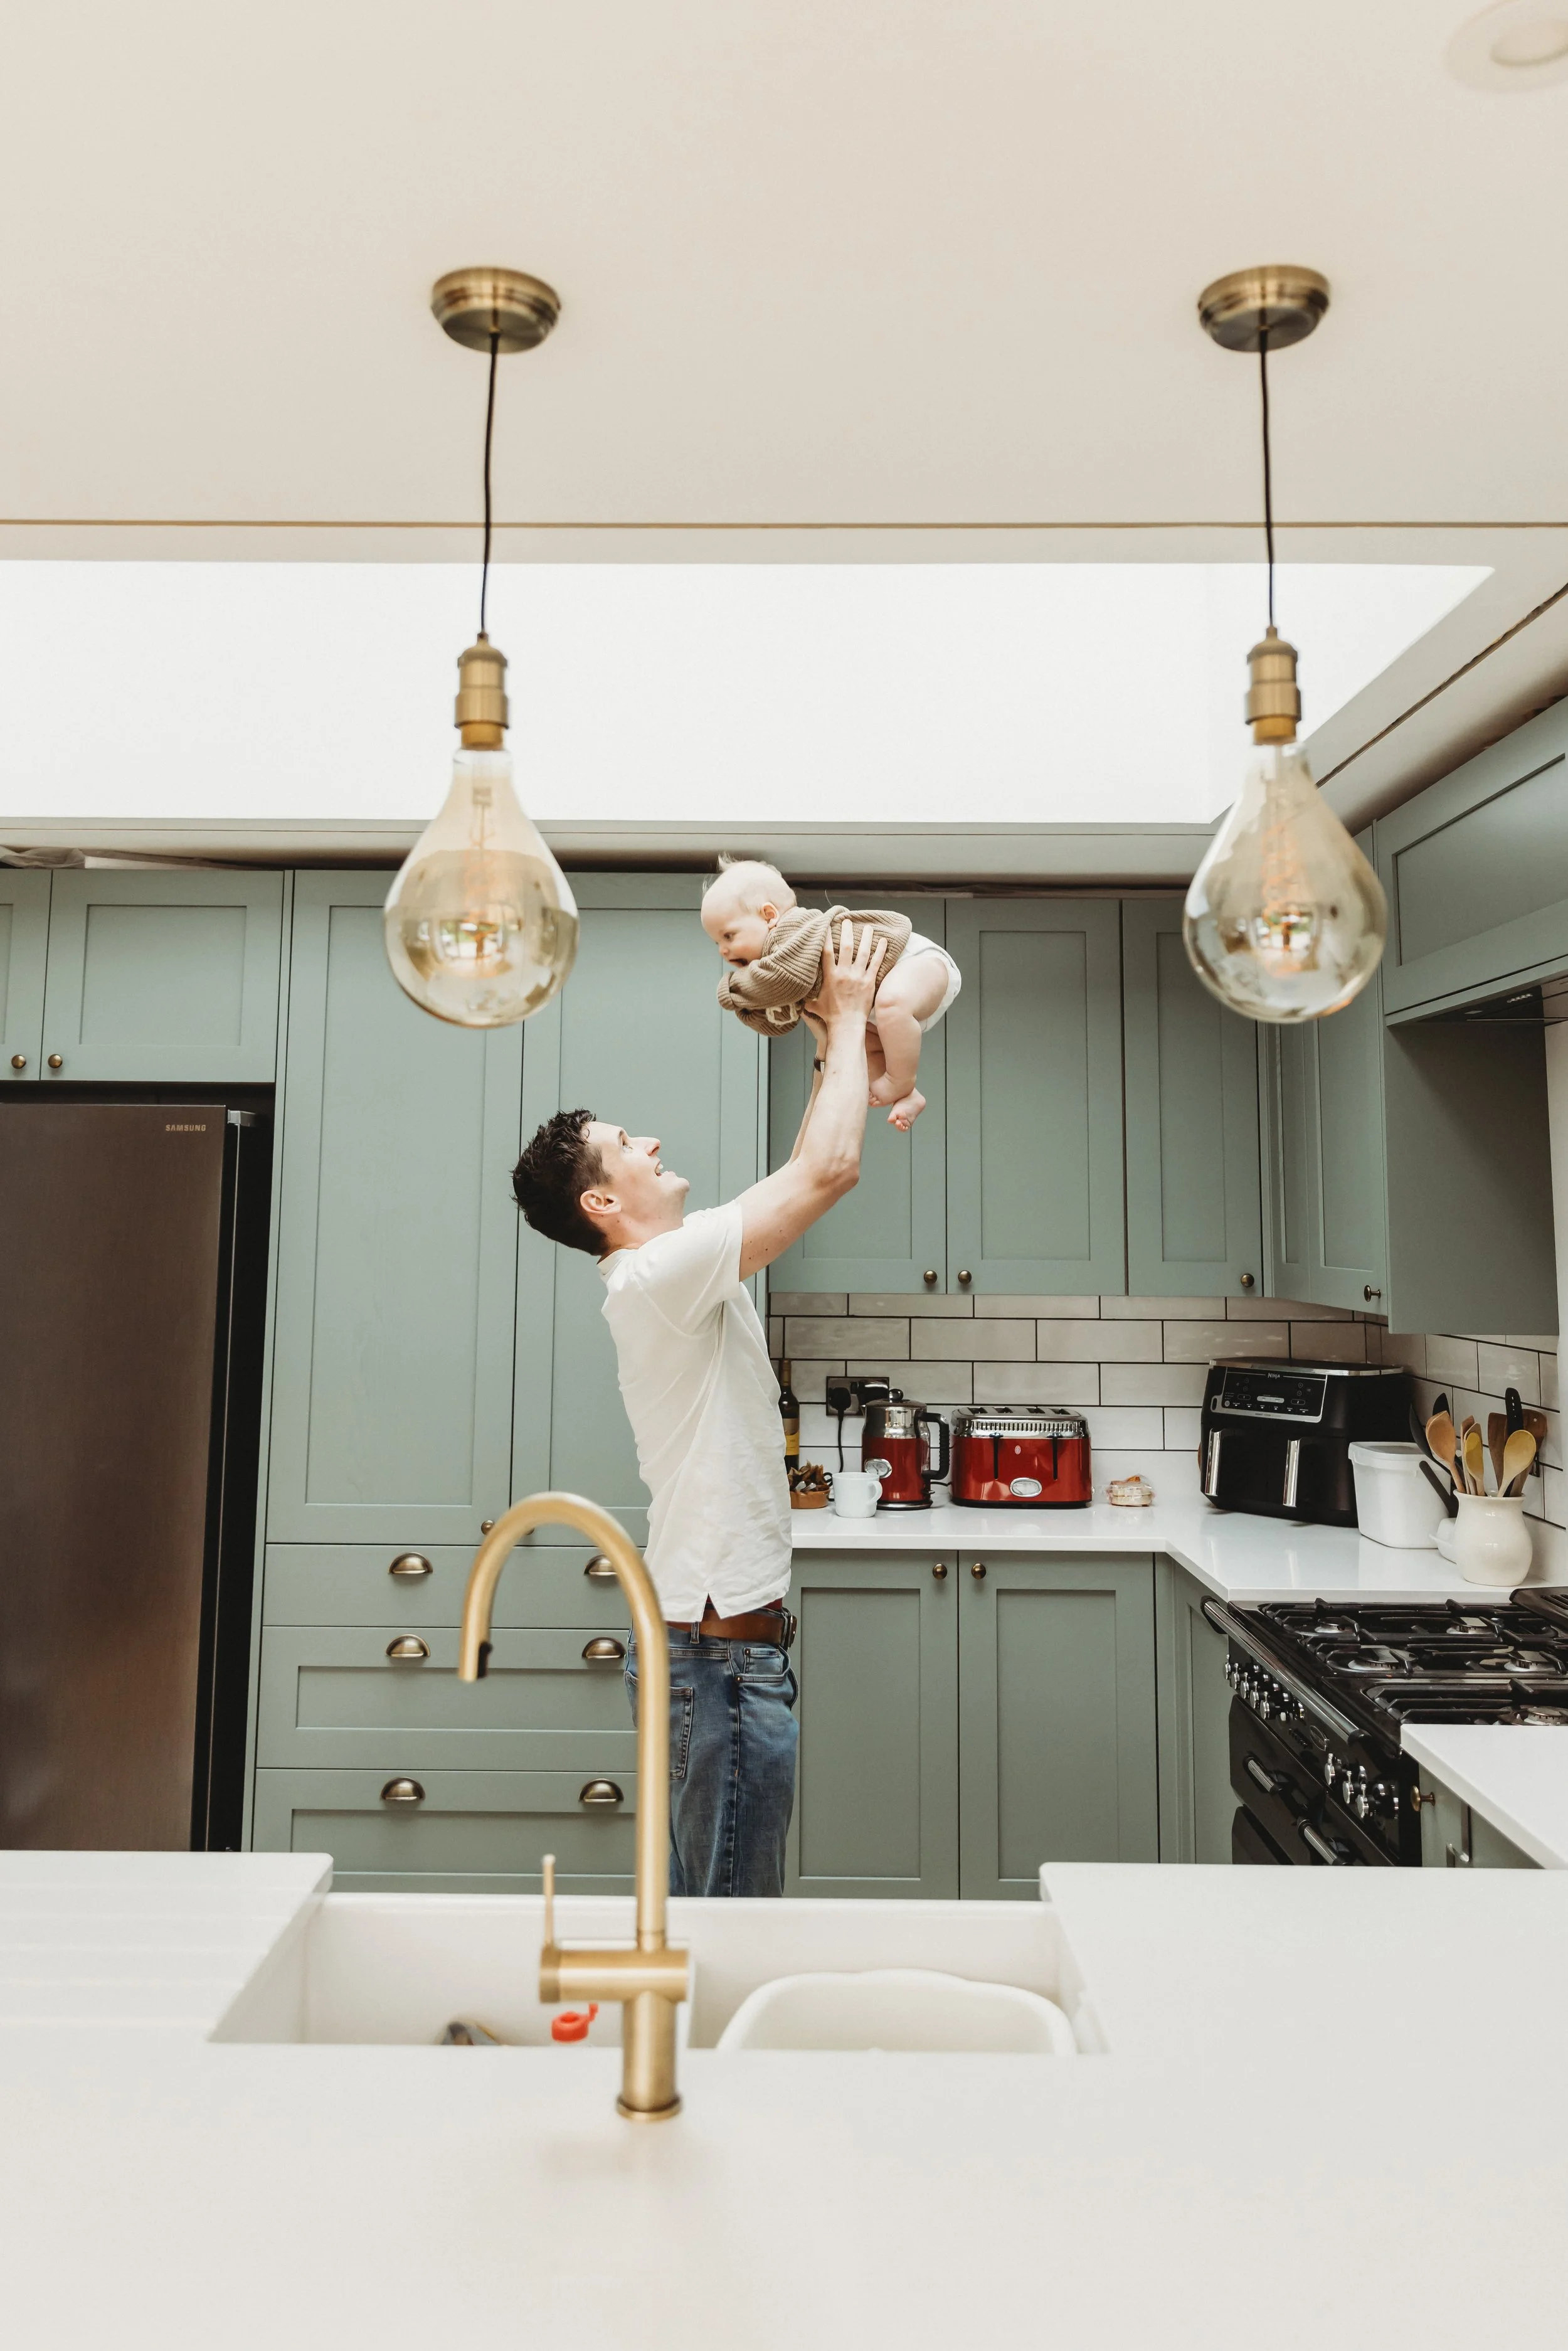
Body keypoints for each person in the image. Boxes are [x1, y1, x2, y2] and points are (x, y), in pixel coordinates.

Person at [510, 918, 886, 1897]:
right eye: (624, 1144)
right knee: (729, 1926)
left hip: (716, 1660)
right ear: (601, 1203)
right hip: (717, 1669)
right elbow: (830, 1172)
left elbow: (803, 1167)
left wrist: (828, 1043)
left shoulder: (670, 1276)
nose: (650, 1141)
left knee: (709, 1914)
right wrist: (850, 1013)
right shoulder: (657, 1276)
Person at [701, 857, 961, 1130]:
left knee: (891, 1003)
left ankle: (902, 1081)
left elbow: (780, 980)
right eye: (716, 942)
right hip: (874, 1002)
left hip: (911, 961)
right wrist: (750, 1008)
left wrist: (731, 992)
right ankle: (908, 1097)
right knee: (860, 1046)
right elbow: (780, 1023)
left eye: (729, 936)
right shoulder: (780, 968)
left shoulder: (791, 931)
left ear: (769, 916)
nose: (723, 951)